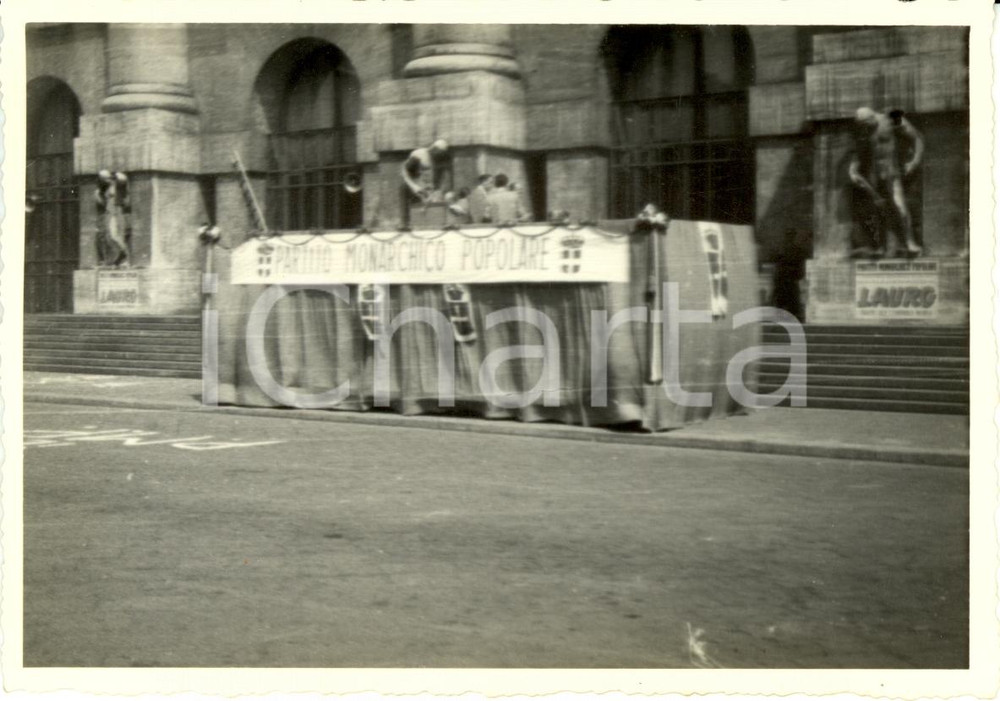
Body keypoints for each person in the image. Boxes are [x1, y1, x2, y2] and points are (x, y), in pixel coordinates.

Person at [848, 107, 924, 257]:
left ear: (871, 118)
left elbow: (917, 138)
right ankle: (880, 247)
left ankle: (910, 242)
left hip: (892, 172)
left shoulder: (892, 119)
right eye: (862, 126)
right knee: (877, 210)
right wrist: (852, 169)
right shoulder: (865, 130)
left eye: (866, 124)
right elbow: (858, 153)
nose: (865, 128)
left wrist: (914, 162)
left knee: (900, 207)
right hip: (874, 175)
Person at [400, 139, 451, 225]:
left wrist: (437, 191)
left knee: (430, 207)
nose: (439, 156)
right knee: (406, 191)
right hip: (412, 185)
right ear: (433, 149)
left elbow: (441, 178)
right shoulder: (419, 155)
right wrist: (414, 186)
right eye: (438, 153)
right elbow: (404, 172)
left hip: (425, 188)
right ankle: (405, 224)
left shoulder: (439, 159)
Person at [95, 169, 132, 267]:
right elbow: (103, 201)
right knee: (109, 236)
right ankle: (120, 257)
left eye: (105, 178)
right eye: (103, 178)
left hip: (116, 211)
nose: (104, 180)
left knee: (114, 235)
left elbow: (123, 178)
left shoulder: (118, 185)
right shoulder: (107, 188)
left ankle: (124, 255)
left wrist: (114, 175)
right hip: (110, 211)